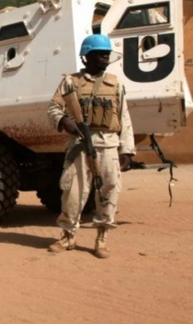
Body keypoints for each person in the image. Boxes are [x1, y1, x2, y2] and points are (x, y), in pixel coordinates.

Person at [47, 34, 135, 259]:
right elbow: (53, 108)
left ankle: (102, 238)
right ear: (87, 57)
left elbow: (123, 116)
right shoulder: (70, 82)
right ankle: (68, 236)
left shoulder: (115, 84)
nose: (105, 57)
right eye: (99, 54)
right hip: (78, 144)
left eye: (107, 54)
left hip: (107, 145)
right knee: (73, 193)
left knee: (109, 191)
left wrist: (126, 149)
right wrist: (64, 121)